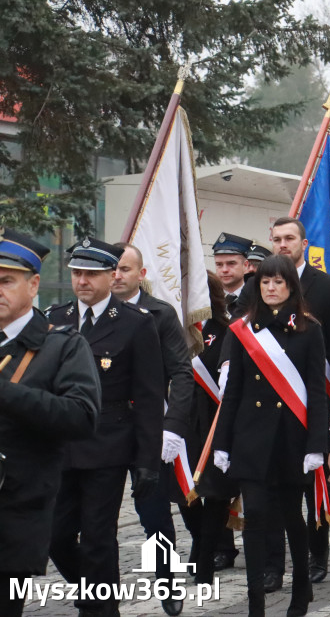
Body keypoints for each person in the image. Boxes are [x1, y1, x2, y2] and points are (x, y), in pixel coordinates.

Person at [235, 218, 330, 588]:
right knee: (269, 494)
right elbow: (237, 336)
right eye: (277, 239)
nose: (283, 244)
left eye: (290, 238)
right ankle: (273, 565)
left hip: (311, 404)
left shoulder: (328, 287)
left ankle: (317, 553)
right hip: (263, 411)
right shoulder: (255, 287)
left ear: (304, 242)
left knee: (315, 485)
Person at [47, 238, 164, 617]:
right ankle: (99, 595)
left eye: (91, 274)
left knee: (98, 537)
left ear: (111, 275)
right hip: (60, 444)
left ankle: (98, 611)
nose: (82, 281)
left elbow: (148, 397)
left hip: (108, 444)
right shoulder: (54, 320)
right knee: (55, 536)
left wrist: (148, 460)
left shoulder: (135, 324)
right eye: (77, 273)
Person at [213, 255, 328, 617]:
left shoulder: (309, 329)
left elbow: (316, 392)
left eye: (279, 282)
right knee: (256, 515)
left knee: (293, 516)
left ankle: (300, 590)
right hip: (252, 440)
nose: (272, 288)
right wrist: (221, 444)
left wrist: (317, 446)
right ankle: (255, 604)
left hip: (292, 441)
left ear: (291, 286)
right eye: (265, 282)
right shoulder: (243, 331)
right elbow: (232, 393)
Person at [0, 230, 101, 617]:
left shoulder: (61, 346)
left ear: (33, 284)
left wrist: (6, 394)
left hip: (16, 514)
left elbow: (81, 417)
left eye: (6, 280)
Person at [111, 242, 194, 616]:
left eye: (124, 269)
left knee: (154, 517)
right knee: (95, 517)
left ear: (141, 274)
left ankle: (168, 583)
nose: (116, 275)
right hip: (102, 432)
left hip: (149, 431)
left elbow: (182, 372)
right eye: (110, 268)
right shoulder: (84, 316)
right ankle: (100, 592)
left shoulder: (160, 314)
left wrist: (172, 428)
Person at [190, 272, 239, 588]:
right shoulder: (176, 330)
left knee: (216, 495)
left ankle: (205, 556)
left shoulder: (227, 330)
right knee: (186, 494)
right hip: (185, 422)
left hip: (217, 420)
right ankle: (203, 545)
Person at [213, 233, 252, 316]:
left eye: (231, 263)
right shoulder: (207, 300)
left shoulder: (255, 300)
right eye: (219, 264)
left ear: (245, 265)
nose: (224, 270)